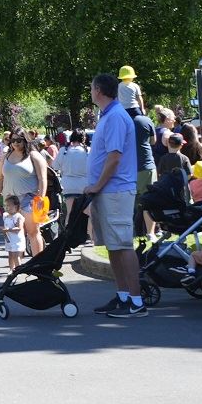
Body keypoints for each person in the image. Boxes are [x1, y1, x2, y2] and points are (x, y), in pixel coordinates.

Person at [84, 72, 146, 318]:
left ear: (99, 90)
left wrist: (98, 185)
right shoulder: (108, 115)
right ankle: (123, 296)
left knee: (122, 244)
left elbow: (115, 156)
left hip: (116, 190)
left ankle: (137, 301)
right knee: (113, 245)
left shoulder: (116, 117)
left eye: (91, 88)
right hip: (109, 190)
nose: (90, 92)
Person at [0, 133, 49, 256]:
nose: (16, 143)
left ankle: (38, 264)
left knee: (33, 232)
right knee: (14, 234)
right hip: (10, 201)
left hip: (28, 199)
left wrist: (41, 198)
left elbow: (42, 179)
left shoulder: (33, 156)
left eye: (19, 140)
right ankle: (16, 267)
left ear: (25, 140)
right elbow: (0, 179)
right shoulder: (6, 156)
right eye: (13, 140)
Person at [1, 195, 26, 272]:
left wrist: (8, 229)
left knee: (16, 256)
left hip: (17, 240)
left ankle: (18, 270)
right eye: (6, 205)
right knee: (10, 255)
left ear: (15, 206)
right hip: (9, 240)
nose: (7, 207)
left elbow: (19, 228)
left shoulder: (18, 216)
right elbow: (6, 225)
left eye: (9, 205)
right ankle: (11, 270)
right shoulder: (5, 215)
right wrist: (3, 229)